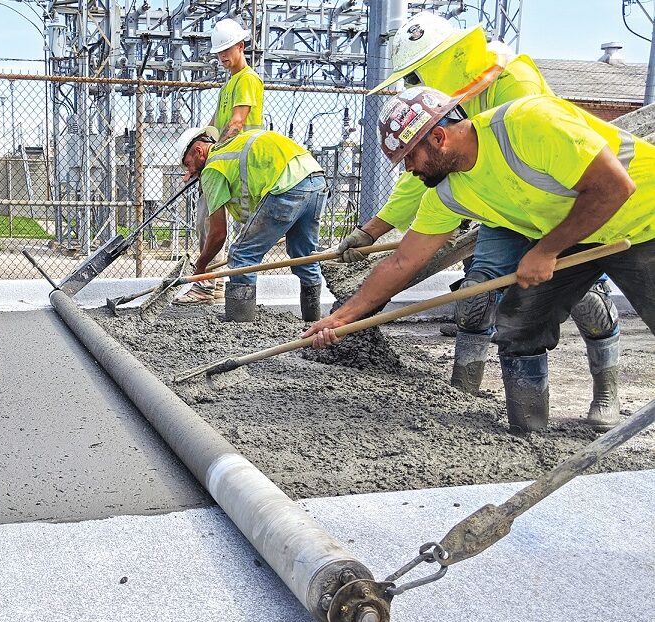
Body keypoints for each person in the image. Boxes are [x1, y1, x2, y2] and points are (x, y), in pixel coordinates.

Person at [332, 12, 622, 429]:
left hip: (553, 207)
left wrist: (546, 246)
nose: (411, 86)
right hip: (501, 211)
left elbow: (538, 156)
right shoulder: (445, 107)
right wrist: (373, 229)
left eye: (415, 74)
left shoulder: (512, 82)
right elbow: (427, 173)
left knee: (581, 294)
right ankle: (465, 390)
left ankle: (606, 392)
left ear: (445, 59)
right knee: (478, 291)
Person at [306, 87, 654, 433]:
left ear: (439, 137)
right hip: (579, 231)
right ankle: (529, 435)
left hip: (644, 219)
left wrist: (545, 251)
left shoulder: (528, 123)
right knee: (519, 325)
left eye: (411, 157)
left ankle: (606, 394)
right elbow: (402, 262)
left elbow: (614, 187)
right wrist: (342, 318)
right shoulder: (448, 193)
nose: (409, 169)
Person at [176, 125, 326, 322]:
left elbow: (218, 233)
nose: (190, 172)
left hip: (287, 186)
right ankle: (313, 321)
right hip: (315, 177)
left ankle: (240, 324)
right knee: (304, 256)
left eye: (188, 164)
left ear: (198, 151)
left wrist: (201, 266)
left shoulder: (213, 167)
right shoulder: (230, 148)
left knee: (241, 255)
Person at [177, 17, 266, 307]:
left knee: (214, 225)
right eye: (219, 52)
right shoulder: (228, 85)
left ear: (241, 46)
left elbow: (237, 123)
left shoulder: (248, 80)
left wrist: (212, 155)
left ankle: (205, 286)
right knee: (208, 221)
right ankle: (212, 286)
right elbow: (215, 127)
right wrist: (196, 159)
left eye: (228, 49)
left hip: (240, 164)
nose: (223, 56)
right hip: (225, 162)